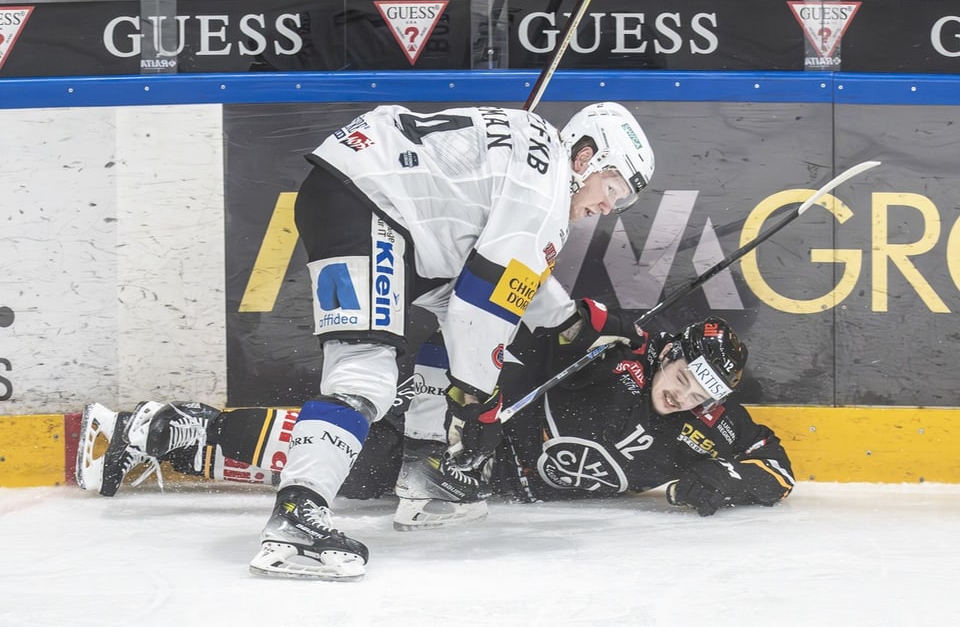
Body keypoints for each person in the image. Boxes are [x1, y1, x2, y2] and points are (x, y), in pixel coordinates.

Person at [240, 101, 653, 579]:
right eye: (613, 187)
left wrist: (568, 323)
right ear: (585, 157)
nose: (608, 207)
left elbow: (495, 273)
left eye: (622, 201)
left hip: (371, 198)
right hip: (371, 205)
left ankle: (424, 470)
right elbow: (482, 309)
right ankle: (298, 514)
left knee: (446, 313)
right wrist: (481, 403)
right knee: (364, 370)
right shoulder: (545, 196)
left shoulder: (535, 142)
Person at [77, 314, 794, 529]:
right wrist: (604, 332)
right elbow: (530, 331)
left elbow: (775, 466)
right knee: (348, 438)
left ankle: (179, 441)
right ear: (666, 351)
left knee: (350, 470)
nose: (684, 397)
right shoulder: (615, 357)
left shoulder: (712, 422)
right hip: (460, 435)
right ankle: (165, 429)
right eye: (682, 376)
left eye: (701, 392)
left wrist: (722, 482)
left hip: (475, 487)